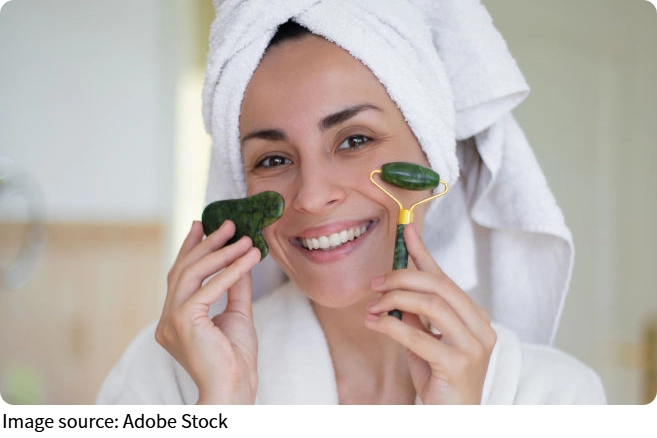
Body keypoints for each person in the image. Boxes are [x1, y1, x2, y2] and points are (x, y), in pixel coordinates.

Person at [96, 0, 606, 405]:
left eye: (355, 140)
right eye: (273, 159)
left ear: (433, 156)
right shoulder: (165, 379)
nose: (313, 196)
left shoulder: (555, 398)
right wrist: (221, 406)